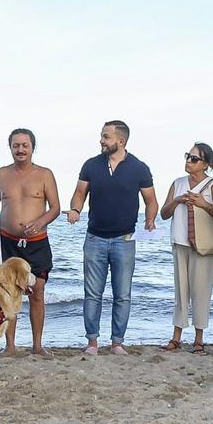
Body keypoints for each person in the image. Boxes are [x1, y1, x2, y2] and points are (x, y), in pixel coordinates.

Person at [65, 121, 157, 356]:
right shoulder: (91, 165)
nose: (102, 141)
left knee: (122, 295)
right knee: (92, 294)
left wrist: (150, 220)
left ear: (121, 141)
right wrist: (75, 210)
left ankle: (117, 342)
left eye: (106, 137)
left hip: (125, 240)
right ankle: (92, 342)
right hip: (95, 238)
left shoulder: (139, 168)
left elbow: (151, 200)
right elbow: (79, 194)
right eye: (102, 136)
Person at [0, 128, 61, 356]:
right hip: (8, 242)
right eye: (16, 145)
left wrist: (40, 222)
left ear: (32, 147)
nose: (20, 149)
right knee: (10, 293)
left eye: (25, 145)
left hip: (37, 242)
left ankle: (37, 345)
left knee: (37, 293)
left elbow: (55, 208)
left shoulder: (45, 174)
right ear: (10, 148)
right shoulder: (1, 174)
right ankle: (10, 345)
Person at [160, 142, 213, 352]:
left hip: (203, 245)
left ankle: (199, 339)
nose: (189, 161)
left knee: (201, 292)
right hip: (180, 242)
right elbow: (164, 213)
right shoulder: (178, 183)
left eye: (194, 158)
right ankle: (176, 336)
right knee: (180, 291)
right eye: (188, 156)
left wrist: (202, 203)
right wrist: (178, 200)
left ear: (205, 164)